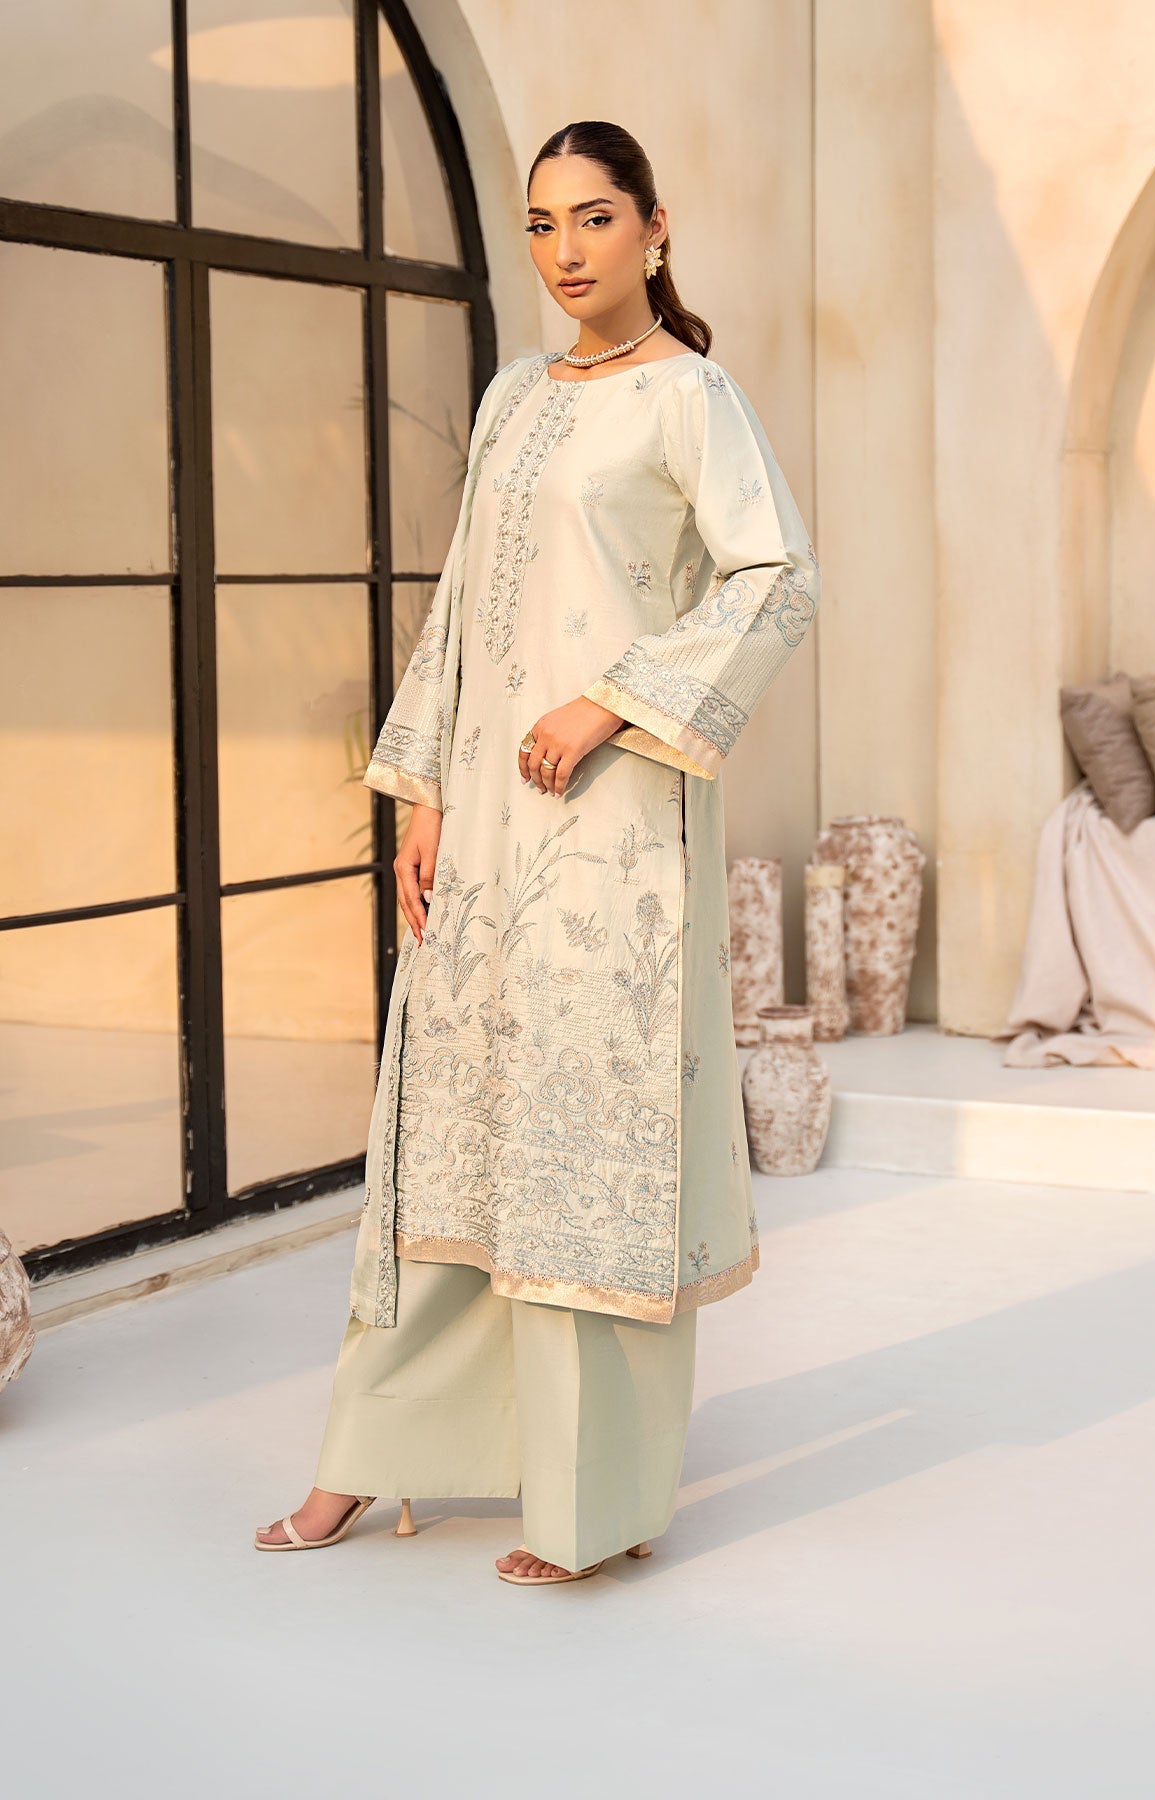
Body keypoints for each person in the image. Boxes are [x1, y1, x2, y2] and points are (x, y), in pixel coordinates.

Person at [255, 119, 820, 1585]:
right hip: (487, 828)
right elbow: (462, 606)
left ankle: (591, 1507)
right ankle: (368, 1458)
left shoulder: (692, 397)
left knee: (585, 1156)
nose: (566, 251)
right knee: (450, 1140)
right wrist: (423, 793)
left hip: (614, 832)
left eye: (595, 218)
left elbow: (776, 580)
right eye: (542, 224)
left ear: (655, 228)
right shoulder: (514, 395)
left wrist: (609, 702)